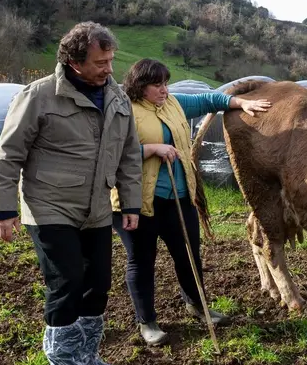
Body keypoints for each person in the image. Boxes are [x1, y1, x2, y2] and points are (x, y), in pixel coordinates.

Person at [0, 22, 143, 365]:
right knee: (68, 281)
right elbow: (8, 153)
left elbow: (128, 155)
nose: (108, 68)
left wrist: (132, 203)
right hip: (48, 206)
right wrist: (3, 207)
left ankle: (86, 358)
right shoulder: (39, 96)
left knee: (98, 284)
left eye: (110, 60)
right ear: (73, 62)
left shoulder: (118, 98)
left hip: (96, 207)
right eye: (99, 62)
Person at [111, 58, 271, 345]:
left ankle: (197, 305)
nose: (164, 89)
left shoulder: (173, 103)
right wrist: (150, 149)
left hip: (179, 196)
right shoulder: (123, 110)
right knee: (142, 261)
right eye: (156, 84)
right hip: (137, 200)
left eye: (165, 83)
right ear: (139, 86)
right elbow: (109, 152)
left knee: (188, 255)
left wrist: (239, 104)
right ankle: (147, 322)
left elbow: (208, 100)